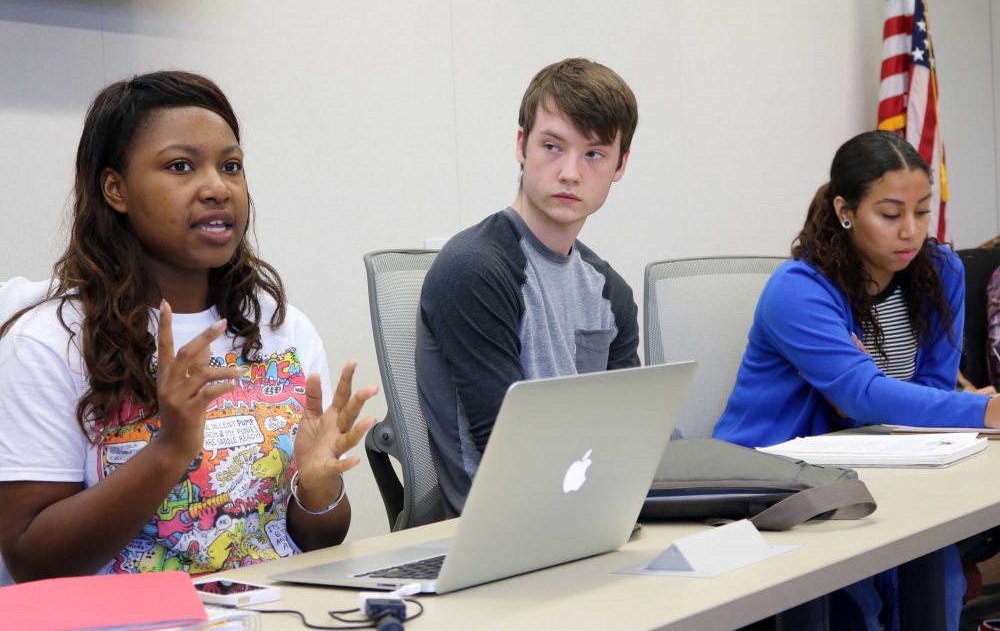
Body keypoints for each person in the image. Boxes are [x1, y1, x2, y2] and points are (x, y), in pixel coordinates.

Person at [0, 71, 377, 583]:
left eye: (231, 166)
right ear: (116, 189)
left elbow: (318, 538)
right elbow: (32, 562)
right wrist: (169, 450)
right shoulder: (49, 344)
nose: (217, 187)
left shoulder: (280, 330)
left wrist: (317, 490)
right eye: (181, 166)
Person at [713, 130, 1000, 630]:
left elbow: (924, 391)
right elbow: (861, 394)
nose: (910, 230)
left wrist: (870, 405)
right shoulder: (798, 289)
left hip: (880, 469)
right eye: (890, 215)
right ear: (846, 211)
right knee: (859, 604)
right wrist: (983, 410)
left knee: (937, 569)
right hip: (774, 483)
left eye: (922, 211)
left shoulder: (941, 272)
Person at [417, 57, 640, 516]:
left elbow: (632, 436)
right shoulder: (474, 269)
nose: (571, 172)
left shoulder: (610, 293)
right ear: (522, 146)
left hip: (591, 515)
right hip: (501, 532)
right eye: (553, 147)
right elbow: (510, 454)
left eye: (594, 154)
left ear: (621, 165)